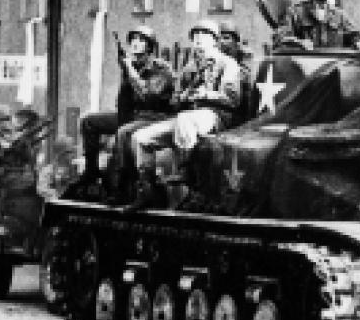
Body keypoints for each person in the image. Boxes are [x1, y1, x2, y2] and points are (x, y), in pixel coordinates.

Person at [126, 19, 244, 210]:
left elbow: (233, 99)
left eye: (203, 36)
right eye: (195, 37)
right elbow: (174, 101)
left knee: (184, 120)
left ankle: (189, 174)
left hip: (217, 116)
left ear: (214, 40)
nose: (197, 40)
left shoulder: (227, 64)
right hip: (189, 118)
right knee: (140, 138)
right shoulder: (190, 68)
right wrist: (182, 97)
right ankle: (148, 190)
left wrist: (206, 94)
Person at [73, 25, 175, 191]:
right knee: (88, 122)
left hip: (152, 117)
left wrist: (129, 70)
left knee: (124, 133)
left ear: (149, 46)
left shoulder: (161, 68)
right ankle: (91, 171)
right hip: (130, 115)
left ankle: (124, 182)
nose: (135, 43)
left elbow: (148, 96)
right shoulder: (131, 66)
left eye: (141, 40)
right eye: (133, 39)